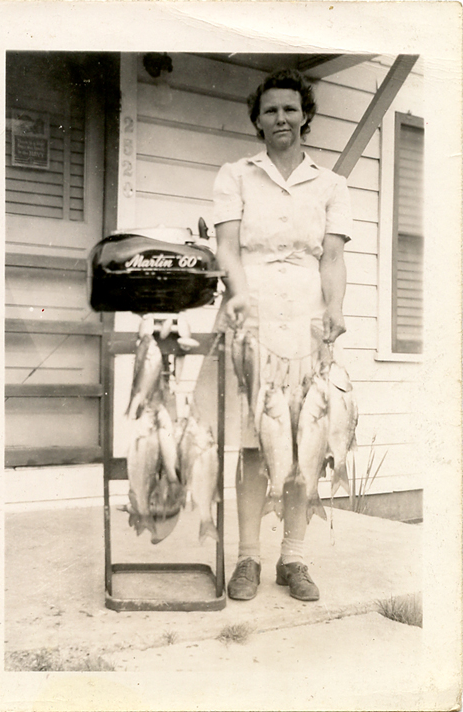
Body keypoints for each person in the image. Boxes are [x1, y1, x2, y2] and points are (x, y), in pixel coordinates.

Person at [213, 68, 353, 602]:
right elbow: (227, 248)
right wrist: (240, 295)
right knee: (255, 444)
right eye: (270, 110)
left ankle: (293, 556)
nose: (281, 119)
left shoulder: (331, 184)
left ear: (306, 116)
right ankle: (248, 556)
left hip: (309, 328)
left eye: (290, 109)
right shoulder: (236, 176)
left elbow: (334, 257)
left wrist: (335, 308)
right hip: (251, 321)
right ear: (256, 119)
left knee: (307, 444)